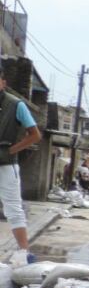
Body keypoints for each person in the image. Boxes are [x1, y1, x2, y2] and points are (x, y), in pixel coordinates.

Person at [0, 69, 42, 265]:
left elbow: (35, 135)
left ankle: (24, 252)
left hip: (6, 164)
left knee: (13, 208)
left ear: (3, 82)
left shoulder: (16, 105)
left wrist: (11, 150)